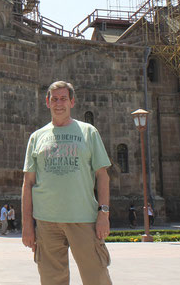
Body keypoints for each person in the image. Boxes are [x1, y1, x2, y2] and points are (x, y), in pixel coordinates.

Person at [22, 80, 112, 285]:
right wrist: (27, 225)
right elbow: (28, 183)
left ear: (72, 102)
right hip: (46, 221)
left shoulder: (89, 132)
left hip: (82, 219)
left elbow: (103, 175)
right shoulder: (37, 137)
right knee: (51, 279)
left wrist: (103, 214)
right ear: (47, 102)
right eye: (54, 99)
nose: (58, 103)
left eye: (63, 98)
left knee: (96, 277)